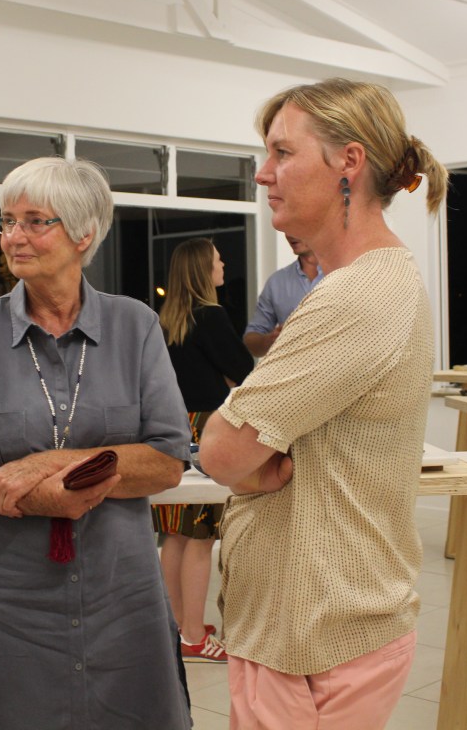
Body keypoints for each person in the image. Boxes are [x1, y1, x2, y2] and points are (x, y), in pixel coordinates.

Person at [0, 157, 192, 729]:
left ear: (84, 234)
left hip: (119, 602)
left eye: (36, 221)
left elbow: (167, 459)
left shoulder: (134, 327)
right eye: (7, 221)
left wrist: (54, 462)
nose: (14, 237)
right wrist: (32, 498)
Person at [198, 79, 448, 729]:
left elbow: (221, 450)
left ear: (349, 162)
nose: (264, 173)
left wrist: (247, 461)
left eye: (283, 152)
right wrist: (255, 459)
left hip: (313, 634)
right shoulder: (367, 283)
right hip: (316, 622)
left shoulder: (355, 296)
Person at [153, 238, 253, 663]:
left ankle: (178, 626)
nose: (224, 263)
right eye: (217, 258)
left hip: (171, 429)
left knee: (175, 534)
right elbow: (244, 372)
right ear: (202, 269)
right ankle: (194, 635)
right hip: (207, 430)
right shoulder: (211, 316)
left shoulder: (165, 320)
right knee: (200, 537)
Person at [242, 235, 322, 357]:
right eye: (286, 229)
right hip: (294, 367)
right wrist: (270, 340)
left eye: (296, 226)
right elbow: (251, 339)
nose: (289, 235)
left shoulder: (346, 272)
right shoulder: (276, 282)